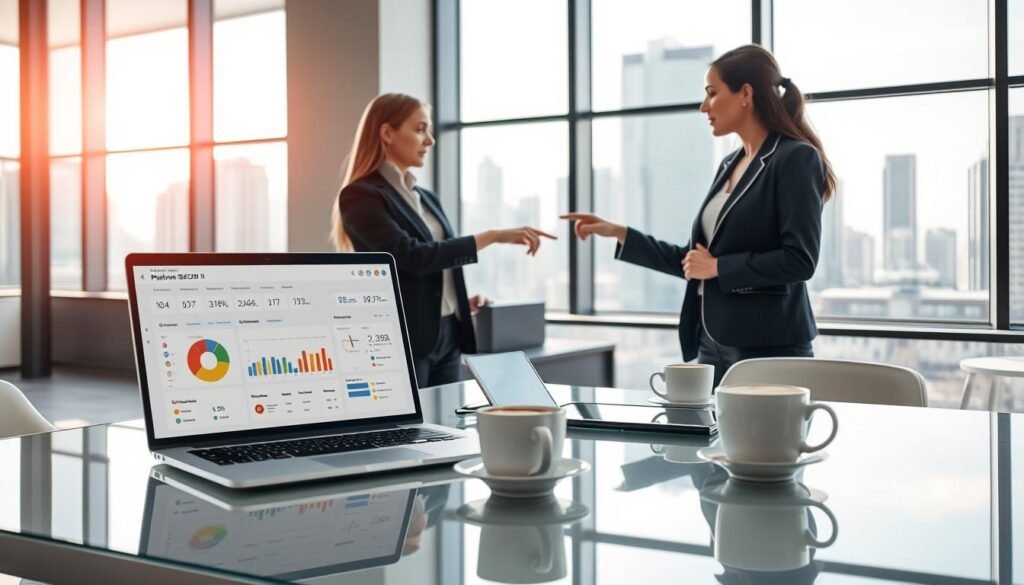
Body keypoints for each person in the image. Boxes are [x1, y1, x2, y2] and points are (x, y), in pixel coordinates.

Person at [563, 45, 837, 386]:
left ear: (745, 94)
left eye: (712, 93)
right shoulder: (729, 164)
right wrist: (621, 234)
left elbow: (800, 260)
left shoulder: (794, 158)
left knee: (765, 441)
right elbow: (694, 262)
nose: (703, 106)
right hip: (712, 342)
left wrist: (719, 267)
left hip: (767, 344)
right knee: (710, 440)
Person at [332, 93, 556, 387]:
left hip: (449, 333)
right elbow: (413, 257)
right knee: (414, 430)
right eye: (420, 129)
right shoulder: (361, 196)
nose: (431, 141)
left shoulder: (426, 197)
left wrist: (456, 300)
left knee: (449, 424)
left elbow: (437, 262)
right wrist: (492, 236)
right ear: (387, 133)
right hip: (407, 339)